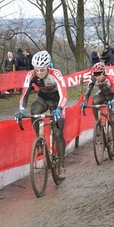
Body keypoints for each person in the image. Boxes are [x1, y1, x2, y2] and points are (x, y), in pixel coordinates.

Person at [16, 50, 67, 180]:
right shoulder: (31, 74)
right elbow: (25, 94)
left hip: (57, 101)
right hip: (42, 98)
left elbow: (64, 95)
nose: (39, 72)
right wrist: (21, 110)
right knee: (34, 111)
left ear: (48, 66)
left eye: (42, 70)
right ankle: (40, 139)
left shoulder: (56, 74)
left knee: (57, 133)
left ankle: (61, 165)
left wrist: (60, 109)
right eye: (37, 70)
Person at [80, 62, 114, 157]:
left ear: (103, 72)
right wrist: (85, 101)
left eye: (99, 74)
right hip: (103, 95)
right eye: (95, 74)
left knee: (113, 119)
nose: (97, 76)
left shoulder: (111, 78)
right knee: (94, 101)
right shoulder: (93, 79)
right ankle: (98, 123)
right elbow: (88, 92)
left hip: (113, 96)